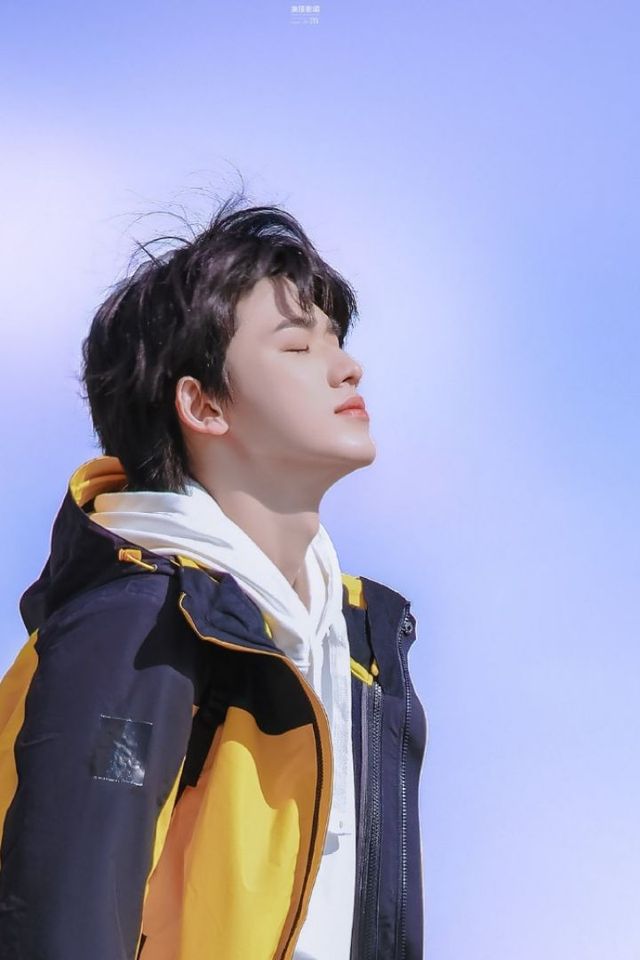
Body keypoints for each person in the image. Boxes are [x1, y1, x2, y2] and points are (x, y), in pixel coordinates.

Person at [0, 193, 428, 959]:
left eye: (336, 338)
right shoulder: (132, 628)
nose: (346, 365)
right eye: (297, 348)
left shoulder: (357, 648)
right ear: (202, 405)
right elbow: (60, 923)